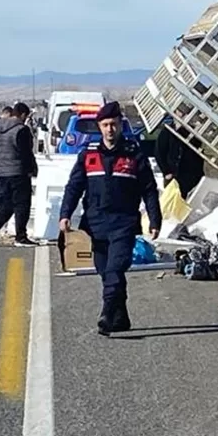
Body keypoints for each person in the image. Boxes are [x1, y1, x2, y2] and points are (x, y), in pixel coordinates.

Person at [58, 101, 162, 335]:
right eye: (105, 125)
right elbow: (74, 187)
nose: (110, 129)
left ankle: (106, 314)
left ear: (120, 125)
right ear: (99, 127)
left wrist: (155, 219)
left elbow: (148, 189)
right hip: (95, 224)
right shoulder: (88, 155)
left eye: (114, 124)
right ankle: (121, 316)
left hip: (123, 223)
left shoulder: (134, 155)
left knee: (115, 268)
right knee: (105, 271)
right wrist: (65, 214)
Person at [0, 101, 39, 247]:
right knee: (22, 204)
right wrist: (31, 170)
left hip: (3, 172)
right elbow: (26, 153)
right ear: (22, 115)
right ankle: (21, 236)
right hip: (18, 172)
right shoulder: (21, 129)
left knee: (8, 204)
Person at [155, 115, 206, 199]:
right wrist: (166, 171)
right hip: (174, 175)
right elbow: (159, 152)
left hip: (191, 175)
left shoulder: (193, 133)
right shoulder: (168, 131)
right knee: (172, 201)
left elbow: (198, 154)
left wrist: (199, 174)